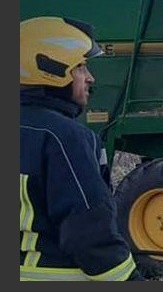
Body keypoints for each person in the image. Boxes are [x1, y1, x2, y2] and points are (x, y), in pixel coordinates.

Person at [20, 16, 143, 281]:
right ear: (51, 67)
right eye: (81, 67)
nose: (90, 78)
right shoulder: (65, 137)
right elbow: (90, 235)